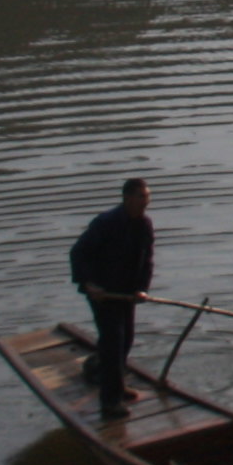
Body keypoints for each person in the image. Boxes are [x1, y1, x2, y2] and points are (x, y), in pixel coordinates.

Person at [70, 177, 156, 415]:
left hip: (126, 294)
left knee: (126, 338)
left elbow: (147, 261)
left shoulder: (145, 225)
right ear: (127, 198)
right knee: (113, 342)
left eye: (148, 196)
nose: (146, 201)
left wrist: (142, 289)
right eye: (141, 196)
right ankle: (110, 402)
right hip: (103, 294)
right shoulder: (106, 223)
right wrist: (89, 284)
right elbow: (78, 253)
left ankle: (112, 380)